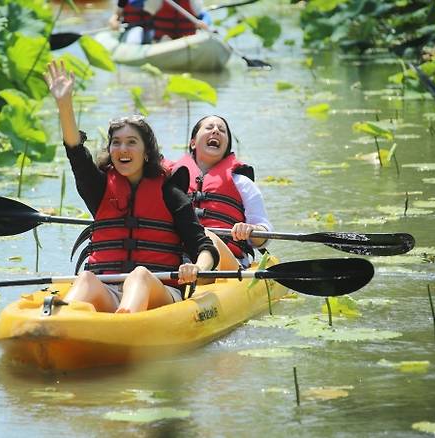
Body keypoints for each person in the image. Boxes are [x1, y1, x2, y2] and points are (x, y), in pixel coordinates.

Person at [44, 61, 219, 314]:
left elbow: (203, 246)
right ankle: (63, 325)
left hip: (159, 290)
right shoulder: (100, 188)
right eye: (116, 143)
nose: (122, 149)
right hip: (110, 289)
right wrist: (64, 104)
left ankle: (123, 328)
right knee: (85, 279)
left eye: (131, 142)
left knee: (139, 275)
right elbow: (76, 153)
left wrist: (197, 269)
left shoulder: (170, 192)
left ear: (146, 153)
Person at [170, 115, 272, 271]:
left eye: (222, 130)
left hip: (227, 262)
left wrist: (251, 230)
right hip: (177, 259)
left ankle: (199, 271)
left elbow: (263, 236)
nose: (216, 131)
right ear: (192, 143)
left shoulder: (242, 184)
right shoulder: (170, 181)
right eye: (209, 128)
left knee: (208, 237)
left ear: (226, 147)